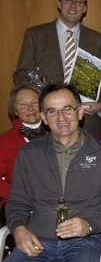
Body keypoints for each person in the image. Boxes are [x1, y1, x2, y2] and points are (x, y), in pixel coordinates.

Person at [5, 84, 101, 261]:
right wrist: (19, 230)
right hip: (38, 242)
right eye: (52, 111)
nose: (61, 118)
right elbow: (17, 202)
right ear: (43, 117)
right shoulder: (28, 154)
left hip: (88, 241)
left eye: (67, 109)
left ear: (80, 112)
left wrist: (89, 225)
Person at [14, 0, 101, 140]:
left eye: (79, 2)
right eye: (68, 0)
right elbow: (21, 76)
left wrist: (100, 105)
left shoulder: (97, 40)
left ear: (85, 8)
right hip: (46, 122)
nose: (73, 6)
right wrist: (44, 100)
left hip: (86, 122)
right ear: (59, 3)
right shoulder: (35, 35)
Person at [0, 85, 46, 225]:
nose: (30, 109)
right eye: (23, 104)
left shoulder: (58, 135)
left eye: (34, 103)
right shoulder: (4, 141)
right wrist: (20, 196)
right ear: (15, 110)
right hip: (18, 202)